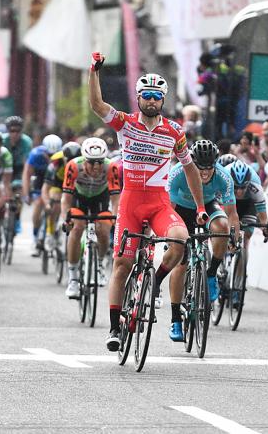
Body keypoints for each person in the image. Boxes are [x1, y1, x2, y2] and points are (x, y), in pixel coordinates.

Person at [88, 52, 207, 351]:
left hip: (157, 201)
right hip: (131, 201)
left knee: (181, 239)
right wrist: (94, 72)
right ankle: (115, 328)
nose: (152, 101)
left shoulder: (175, 132)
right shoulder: (125, 123)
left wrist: (202, 208)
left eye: (157, 97)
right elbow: (97, 105)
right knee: (122, 264)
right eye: (147, 96)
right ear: (139, 98)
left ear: (163, 99)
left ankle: (156, 281)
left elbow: (190, 169)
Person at [167, 140, 240, 340]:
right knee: (180, 262)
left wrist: (234, 235)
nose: (205, 173)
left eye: (209, 168)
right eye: (201, 168)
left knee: (223, 228)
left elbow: (232, 213)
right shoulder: (178, 172)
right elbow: (168, 208)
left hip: (207, 206)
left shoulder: (224, 176)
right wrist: (171, 236)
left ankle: (210, 273)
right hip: (180, 209)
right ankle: (175, 320)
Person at [60, 137, 121, 298]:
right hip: (79, 200)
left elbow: (116, 199)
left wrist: (116, 220)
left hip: (100, 200)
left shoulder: (111, 167)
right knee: (77, 228)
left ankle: (99, 264)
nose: (96, 166)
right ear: (84, 159)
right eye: (92, 162)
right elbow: (66, 198)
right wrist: (66, 218)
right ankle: (73, 278)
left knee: (104, 227)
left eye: (100, 162)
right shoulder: (73, 166)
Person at [22, 134, 64, 256]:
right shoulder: (35, 155)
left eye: (54, 155)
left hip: (55, 181)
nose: (52, 157)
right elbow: (27, 174)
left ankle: (53, 228)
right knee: (38, 204)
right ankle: (36, 239)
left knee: (56, 204)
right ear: (44, 150)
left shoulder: (63, 156)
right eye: (49, 155)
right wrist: (26, 193)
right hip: (40, 180)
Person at [227, 159, 268, 257]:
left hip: (248, 203)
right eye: (235, 187)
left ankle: (242, 267)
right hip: (228, 202)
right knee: (225, 228)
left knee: (247, 234)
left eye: (243, 187)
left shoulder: (255, 185)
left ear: (248, 183)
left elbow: (262, 216)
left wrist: (265, 228)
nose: (239, 192)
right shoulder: (224, 180)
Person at [2, 116, 33, 235]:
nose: (14, 134)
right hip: (5, 169)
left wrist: (25, 185)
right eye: (12, 131)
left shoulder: (26, 142)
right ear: (8, 131)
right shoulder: (3, 140)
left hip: (20, 169)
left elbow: (27, 164)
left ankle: (17, 218)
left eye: (17, 131)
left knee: (18, 191)